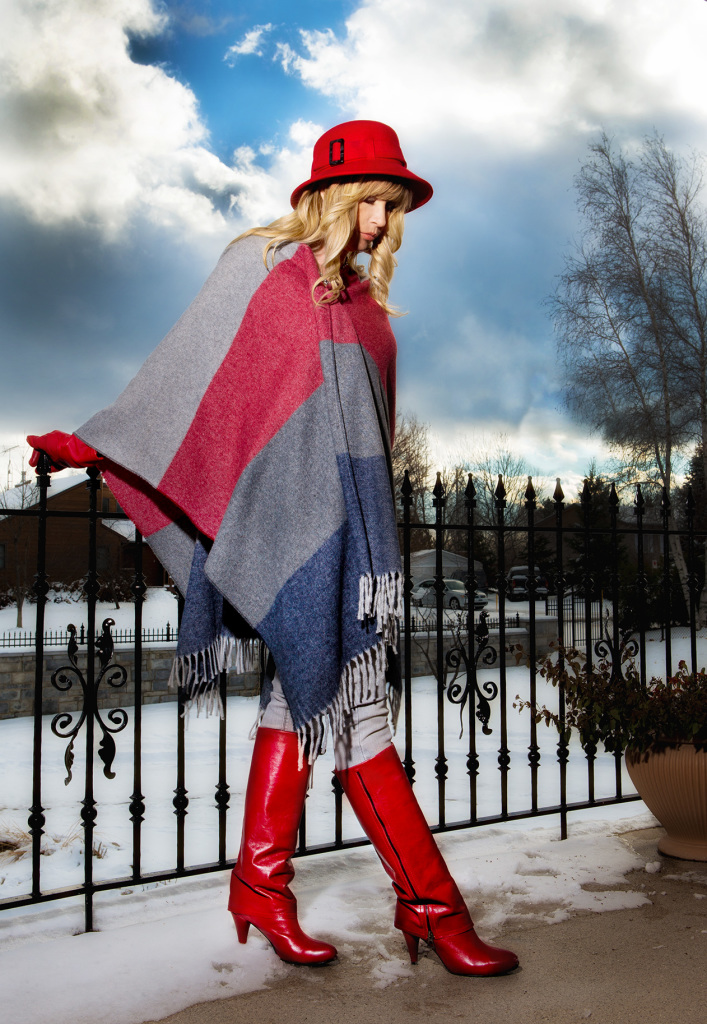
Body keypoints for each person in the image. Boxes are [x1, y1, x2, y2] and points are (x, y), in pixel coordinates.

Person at [28, 120, 518, 976]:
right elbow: (184, 380)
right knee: (360, 721)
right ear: (327, 194)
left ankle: (261, 885)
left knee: (298, 707)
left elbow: (367, 434)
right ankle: (434, 912)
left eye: (391, 205)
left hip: (351, 541)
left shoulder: (365, 307)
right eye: (368, 198)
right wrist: (99, 442)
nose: (378, 219)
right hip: (286, 523)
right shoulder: (260, 272)